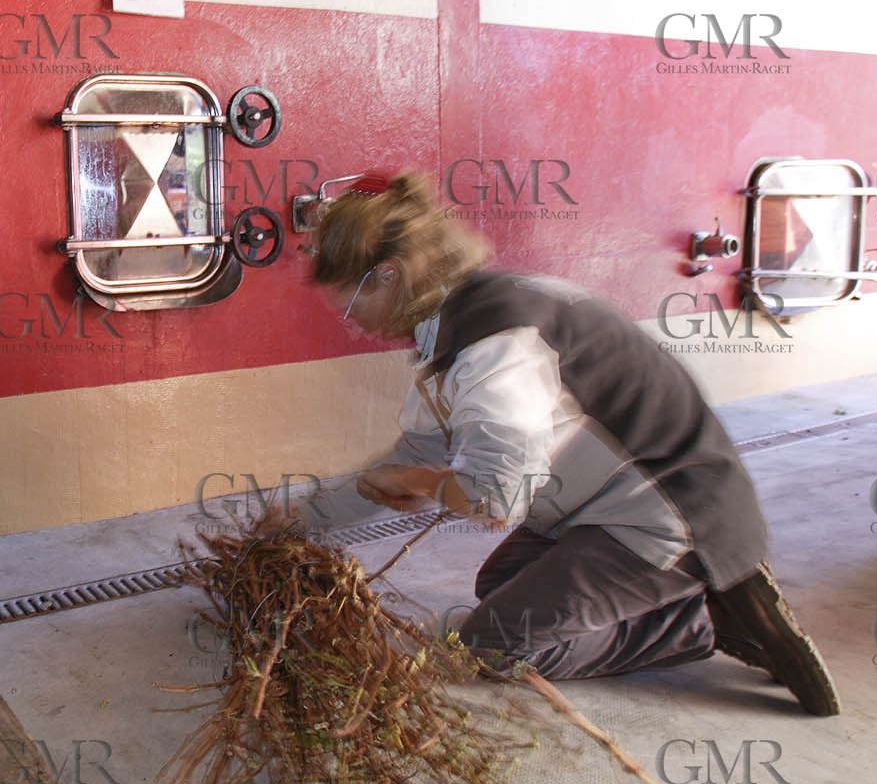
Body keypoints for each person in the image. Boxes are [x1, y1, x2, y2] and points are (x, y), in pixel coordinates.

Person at [313, 172, 839, 715]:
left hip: (675, 515)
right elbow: (419, 452)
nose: (353, 325)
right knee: (496, 583)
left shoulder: (494, 344)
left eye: (351, 306)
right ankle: (676, 590)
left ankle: (697, 622)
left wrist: (415, 484)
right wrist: (304, 517)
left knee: (489, 646)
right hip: (598, 507)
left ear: (389, 276)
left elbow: (495, 500)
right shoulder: (462, 319)